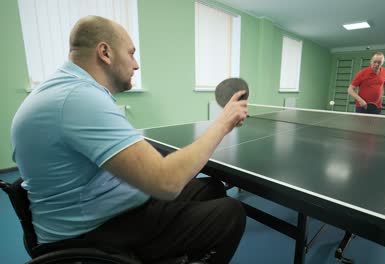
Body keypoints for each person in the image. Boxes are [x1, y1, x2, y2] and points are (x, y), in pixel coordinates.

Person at [11, 16, 247, 263]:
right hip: (91, 231)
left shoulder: (65, 89)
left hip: (94, 208)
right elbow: (166, 182)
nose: (136, 65)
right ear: (105, 52)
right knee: (231, 213)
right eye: (131, 53)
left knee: (210, 188)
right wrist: (223, 122)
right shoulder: (77, 99)